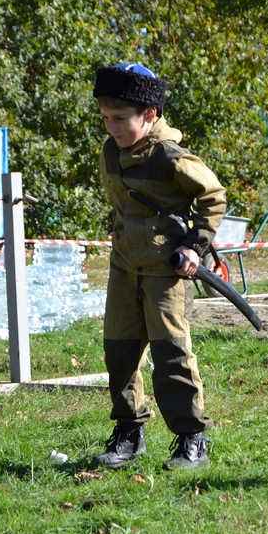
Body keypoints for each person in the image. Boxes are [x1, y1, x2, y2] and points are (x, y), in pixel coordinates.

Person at [92, 63, 226, 470]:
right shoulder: (110, 152)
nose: (111, 127)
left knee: (172, 357)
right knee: (119, 353)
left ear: (149, 115)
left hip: (166, 275)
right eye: (105, 119)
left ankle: (191, 440)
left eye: (120, 118)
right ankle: (129, 434)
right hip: (124, 268)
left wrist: (194, 246)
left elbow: (214, 197)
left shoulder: (171, 157)